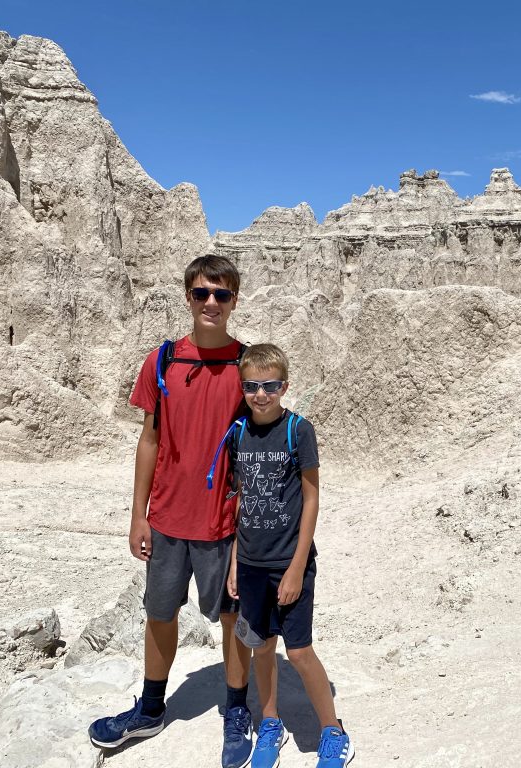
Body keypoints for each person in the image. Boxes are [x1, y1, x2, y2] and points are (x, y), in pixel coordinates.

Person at [89, 254, 257, 768]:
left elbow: (257, 451)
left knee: (231, 618)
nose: (212, 303)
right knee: (159, 614)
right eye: (203, 293)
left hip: (221, 521)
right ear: (187, 297)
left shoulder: (246, 366)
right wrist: (138, 514)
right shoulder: (162, 360)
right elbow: (150, 439)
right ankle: (152, 707)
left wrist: (249, 529)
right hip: (165, 519)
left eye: (222, 294)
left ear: (233, 301)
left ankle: (235, 709)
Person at [225, 343, 354, 768]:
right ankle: (270, 723)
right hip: (251, 564)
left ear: (285, 386)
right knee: (261, 646)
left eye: (270, 386)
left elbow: (312, 498)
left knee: (297, 651)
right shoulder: (239, 432)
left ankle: (334, 732)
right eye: (252, 386)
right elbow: (241, 499)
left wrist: (298, 565)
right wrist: (233, 563)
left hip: (288, 562)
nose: (261, 394)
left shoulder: (300, 430)